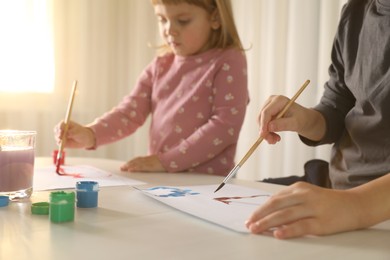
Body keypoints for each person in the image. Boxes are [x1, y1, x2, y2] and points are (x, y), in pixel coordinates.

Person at [245, 0, 390, 239]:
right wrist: (304, 119)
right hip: (335, 189)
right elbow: (337, 109)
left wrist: (354, 206)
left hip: (369, 208)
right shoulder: (356, 11)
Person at [54, 0, 248, 175]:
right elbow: (129, 113)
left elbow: (224, 126)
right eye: (162, 19)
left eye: (183, 20)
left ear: (215, 18)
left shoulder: (228, 60)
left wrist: (165, 161)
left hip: (209, 184)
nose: (169, 30)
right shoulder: (161, 65)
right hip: (163, 179)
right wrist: (90, 134)